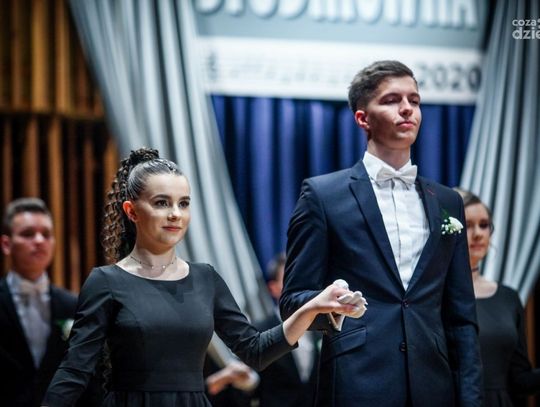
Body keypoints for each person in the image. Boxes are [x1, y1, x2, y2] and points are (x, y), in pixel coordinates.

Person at [42, 147, 360, 407]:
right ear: (131, 211)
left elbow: (255, 350)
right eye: (161, 203)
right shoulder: (106, 281)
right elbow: (75, 370)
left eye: (183, 203)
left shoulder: (205, 279)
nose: (175, 214)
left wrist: (311, 307)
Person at [280, 60, 483, 407]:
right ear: (363, 119)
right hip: (356, 383)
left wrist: (471, 399)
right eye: (391, 100)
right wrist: (332, 303)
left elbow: (461, 317)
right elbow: (292, 300)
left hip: (433, 386)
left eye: (414, 100)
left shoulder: (447, 201)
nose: (407, 109)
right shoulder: (323, 195)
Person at [0, 198, 99, 407]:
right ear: (6, 244)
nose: (39, 240)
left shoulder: (74, 305)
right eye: (28, 234)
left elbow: (86, 375)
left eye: (46, 234)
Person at [455, 188, 540, 406]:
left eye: (484, 225)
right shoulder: (436, 296)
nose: (477, 233)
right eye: (468, 225)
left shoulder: (508, 298)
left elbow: (520, 380)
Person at [206, 253, 321, 407]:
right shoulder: (257, 332)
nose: (301, 287)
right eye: (290, 280)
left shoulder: (322, 329)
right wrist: (249, 382)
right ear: (274, 288)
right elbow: (249, 383)